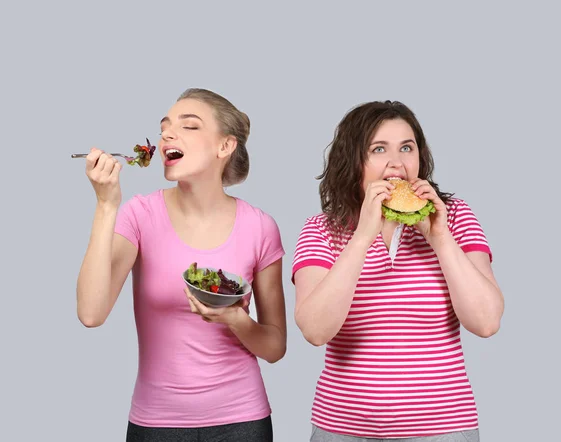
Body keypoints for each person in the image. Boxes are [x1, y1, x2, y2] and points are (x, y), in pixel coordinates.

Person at [76, 88, 286, 442]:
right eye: (164, 127)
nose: (166, 135)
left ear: (225, 146)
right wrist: (106, 206)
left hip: (243, 421)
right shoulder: (140, 215)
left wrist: (234, 318)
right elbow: (91, 313)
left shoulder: (260, 227)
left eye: (189, 126)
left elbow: (275, 347)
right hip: (155, 423)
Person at [292, 100, 504, 442]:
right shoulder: (321, 228)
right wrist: (362, 237)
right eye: (378, 149)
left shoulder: (455, 216)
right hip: (342, 430)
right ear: (353, 161)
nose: (397, 163)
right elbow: (315, 330)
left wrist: (441, 239)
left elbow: (486, 322)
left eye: (407, 147)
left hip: (444, 429)